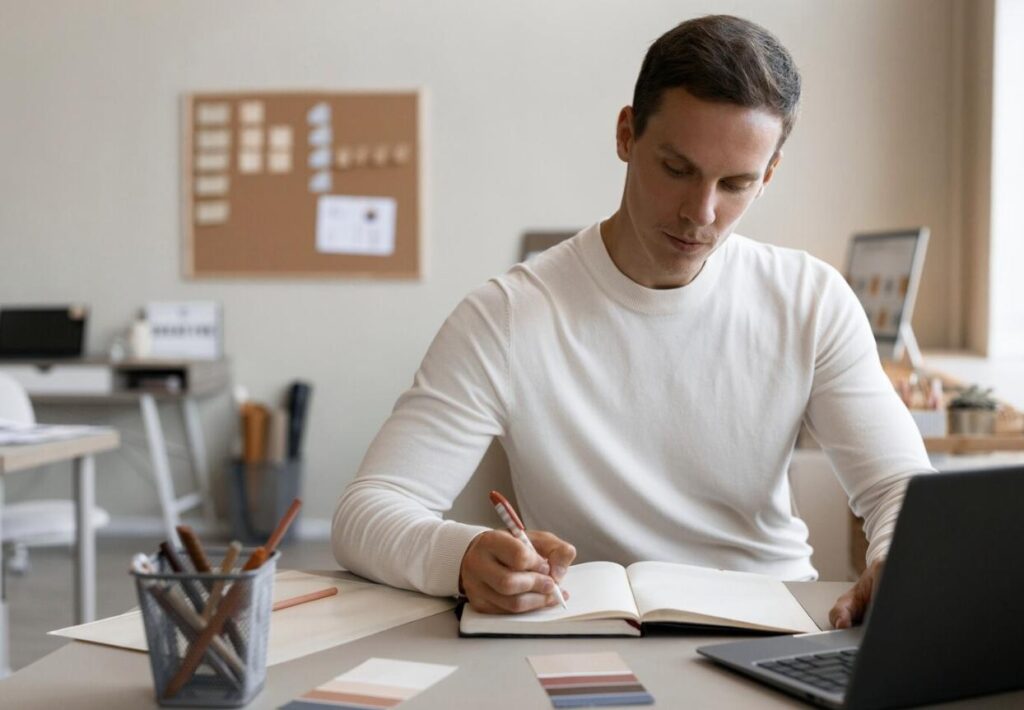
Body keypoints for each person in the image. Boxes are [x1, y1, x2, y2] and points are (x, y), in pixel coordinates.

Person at [332, 14, 932, 629]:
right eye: (677, 169)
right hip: (586, 626)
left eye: (736, 184)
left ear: (769, 174)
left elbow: (899, 487)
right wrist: (458, 557)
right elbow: (367, 511)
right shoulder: (506, 317)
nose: (701, 212)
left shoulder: (810, 300)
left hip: (775, 620)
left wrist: (898, 558)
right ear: (626, 134)